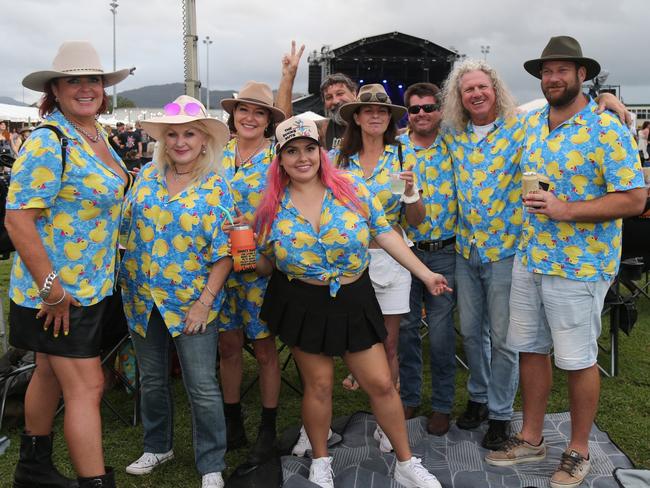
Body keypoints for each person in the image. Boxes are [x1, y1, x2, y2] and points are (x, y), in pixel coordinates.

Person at [440, 57, 628, 450]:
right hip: (470, 248)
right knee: (476, 334)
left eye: (482, 87)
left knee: (511, 341)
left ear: (496, 90)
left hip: (510, 249)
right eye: (467, 89)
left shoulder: (518, 125)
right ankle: (479, 398)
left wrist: (607, 98)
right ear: (459, 97)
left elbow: (567, 105)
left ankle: (501, 413)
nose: (476, 93)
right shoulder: (453, 134)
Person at [486, 36, 647, 488]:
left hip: (579, 266)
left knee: (577, 360)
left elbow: (635, 198)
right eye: (546, 71)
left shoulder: (605, 128)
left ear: (582, 75)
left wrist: (566, 210)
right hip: (530, 257)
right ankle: (532, 437)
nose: (552, 78)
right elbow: (482, 119)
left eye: (562, 70)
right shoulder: (534, 122)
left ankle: (577, 449)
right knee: (531, 349)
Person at [254, 115, 450, 488]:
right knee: (320, 385)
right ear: (279, 159)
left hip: (353, 296)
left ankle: (406, 463)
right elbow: (265, 263)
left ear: (320, 152)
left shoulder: (350, 187)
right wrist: (246, 257)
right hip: (301, 300)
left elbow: (386, 234)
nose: (302, 158)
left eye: (309, 149)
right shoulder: (271, 206)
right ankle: (321, 460)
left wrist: (425, 273)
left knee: (380, 382)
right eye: (291, 151)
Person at [6, 40, 132, 488]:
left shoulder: (95, 136)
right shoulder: (48, 139)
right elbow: (18, 219)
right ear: (55, 90)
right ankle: (93, 482)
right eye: (73, 80)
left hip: (90, 285)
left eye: (93, 79)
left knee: (47, 371)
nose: (85, 88)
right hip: (58, 293)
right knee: (88, 386)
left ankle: (32, 468)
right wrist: (53, 288)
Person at [120, 95, 233, 488]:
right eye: (173, 134)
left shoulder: (217, 187)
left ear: (204, 140)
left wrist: (204, 304)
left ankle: (211, 462)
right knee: (151, 379)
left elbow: (225, 253)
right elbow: (125, 232)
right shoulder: (145, 178)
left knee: (201, 385)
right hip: (141, 297)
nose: (180, 141)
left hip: (192, 303)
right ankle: (157, 445)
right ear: (163, 140)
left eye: (189, 134)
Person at [333, 83, 421, 452]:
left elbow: (416, 219)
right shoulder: (338, 159)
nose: (374, 116)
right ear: (356, 116)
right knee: (339, 340)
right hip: (350, 260)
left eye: (382, 112)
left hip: (392, 257)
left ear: (389, 119)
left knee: (388, 343)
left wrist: (413, 192)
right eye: (367, 110)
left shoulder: (403, 157)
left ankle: (388, 421)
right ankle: (317, 424)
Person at [216, 80, 285, 472]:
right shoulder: (216, 153)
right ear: (234, 114)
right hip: (220, 266)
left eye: (259, 112)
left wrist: (257, 223)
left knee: (263, 348)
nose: (250, 117)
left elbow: (290, 202)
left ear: (268, 120)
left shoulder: (278, 158)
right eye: (244, 110)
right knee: (227, 346)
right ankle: (232, 421)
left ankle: (268, 428)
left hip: (260, 264)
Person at [396, 82, 457, 435]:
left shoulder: (454, 143)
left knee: (441, 334)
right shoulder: (397, 150)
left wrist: (604, 98)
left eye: (429, 107)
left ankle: (443, 404)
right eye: (415, 109)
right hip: (406, 251)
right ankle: (410, 397)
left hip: (445, 252)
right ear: (408, 114)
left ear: (440, 111)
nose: (422, 114)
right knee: (405, 330)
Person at [275, 41, 357, 151]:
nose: (336, 101)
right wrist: (288, 76)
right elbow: (285, 128)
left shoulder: (372, 123)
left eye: (340, 93)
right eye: (328, 97)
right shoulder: (322, 129)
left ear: (354, 94)